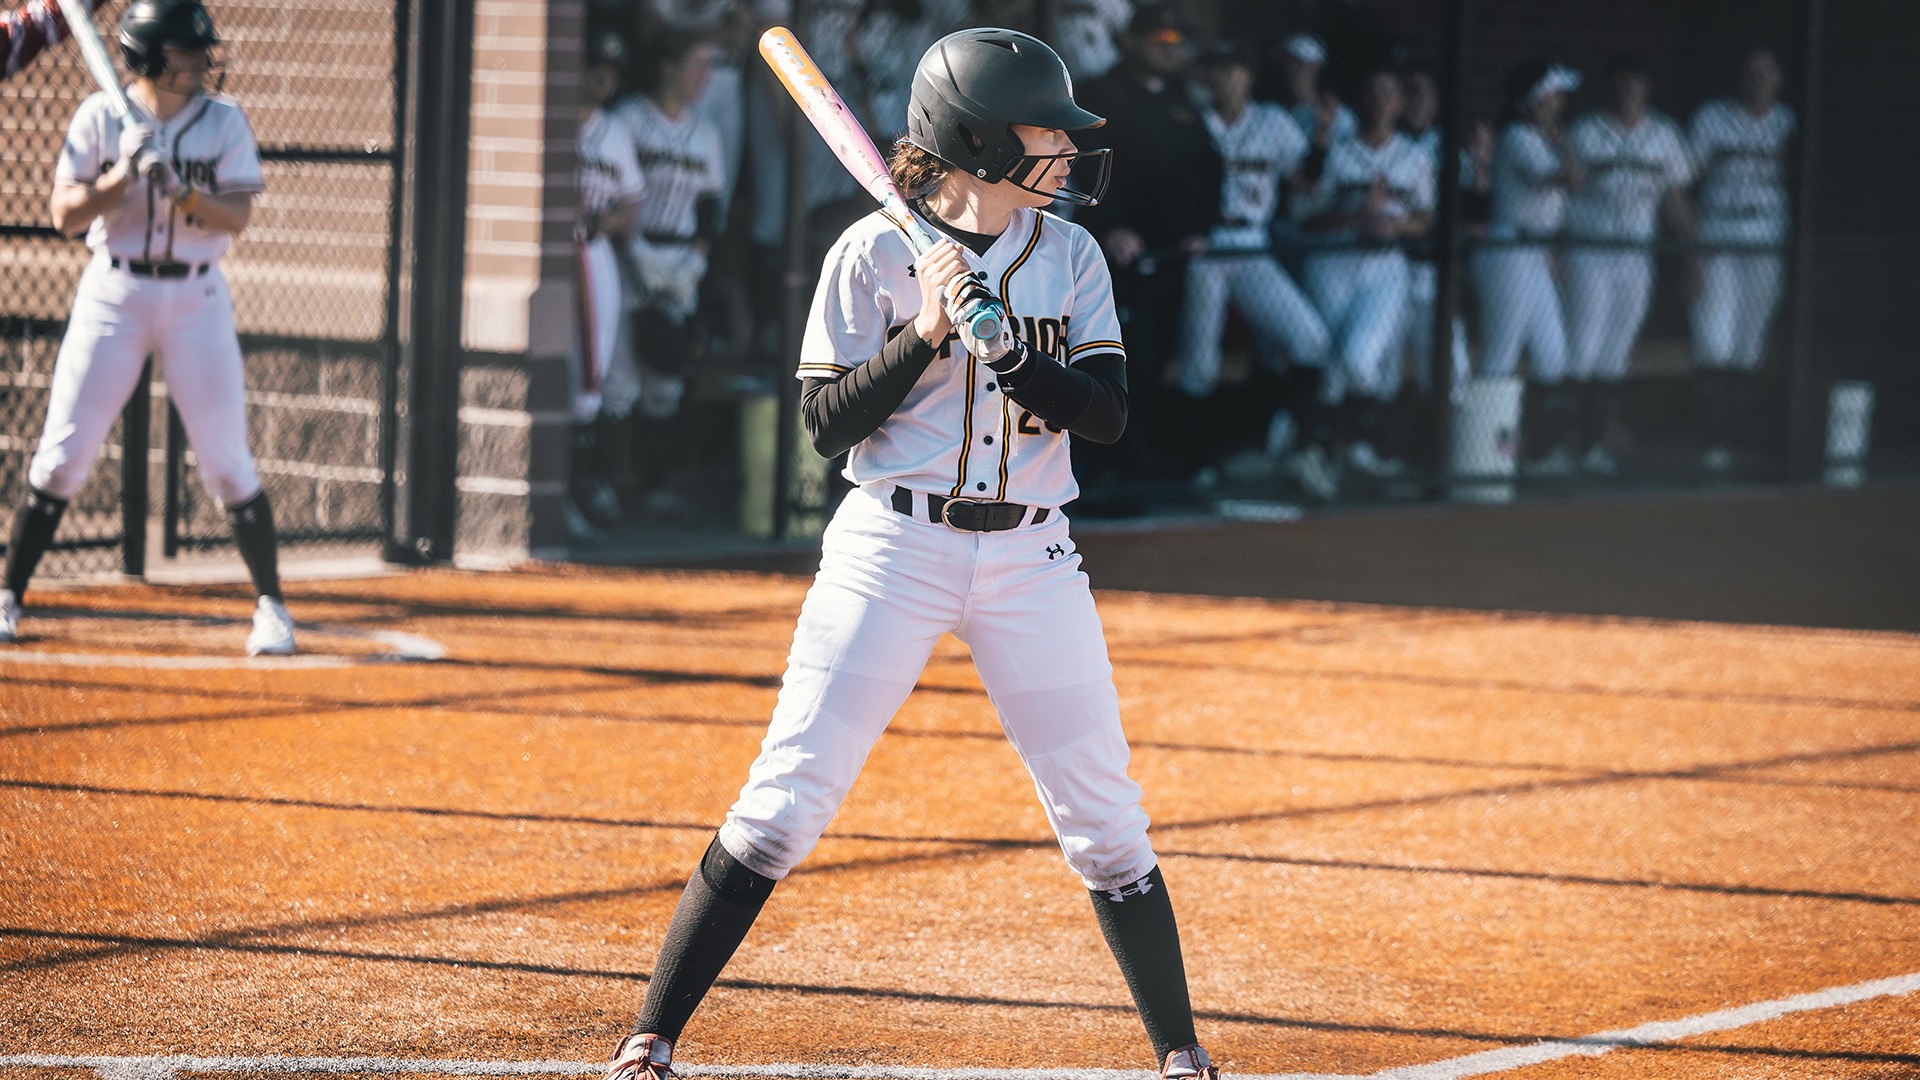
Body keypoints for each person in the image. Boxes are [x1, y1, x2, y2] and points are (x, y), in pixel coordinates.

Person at [596, 27, 1222, 1080]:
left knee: (1106, 822)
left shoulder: (1068, 256)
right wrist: (927, 330)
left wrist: (1014, 352)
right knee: (786, 801)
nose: (1067, 150)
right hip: (892, 545)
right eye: (1045, 132)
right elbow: (826, 425)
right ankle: (650, 1039)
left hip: (1033, 558)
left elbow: (1105, 416)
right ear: (978, 141)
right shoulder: (870, 254)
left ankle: (1181, 1054)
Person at [1, 0, 292, 656]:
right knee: (63, 455)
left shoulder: (224, 120)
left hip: (197, 297)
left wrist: (183, 194)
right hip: (115, 292)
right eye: (186, 55)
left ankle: (272, 608)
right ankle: (9, 596)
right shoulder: (101, 117)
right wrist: (121, 176)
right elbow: (65, 215)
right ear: (148, 59)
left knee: (227, 463)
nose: (200, 64)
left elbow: (237, 216)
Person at [1073, 4, 1219, 487]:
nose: (1165, 48)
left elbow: (1209, 166)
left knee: (1161, 357)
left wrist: (1201, 226)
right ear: (1131, 41)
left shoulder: (1184, 99)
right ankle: (1101, 461)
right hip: (1117, 255)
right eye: (1157, 39)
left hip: (1173, 254)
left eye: (1174, 41)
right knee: (1116, 352)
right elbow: (1082, 168)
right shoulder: (1100, 95)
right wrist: (1110, 225)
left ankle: (1141, 454)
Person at [1170, 43, 1327, 478]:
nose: (1227, 78)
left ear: (1249, 76)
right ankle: (1194, 466)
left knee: (1310, 338)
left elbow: (1306, 181)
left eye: (1235, 69)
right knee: (1199, 361)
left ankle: (1288, 441)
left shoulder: (1272, 122)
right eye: (1219, 70)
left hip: (1252, 243)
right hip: (1207, 246)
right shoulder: (1192, 121)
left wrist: (1323, 141)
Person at [1289, 66, 1434, 497]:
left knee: (1358, 360)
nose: (1380, 103)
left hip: (1385, 266)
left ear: (1401, 104)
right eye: (1372, 94)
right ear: (1361, 101)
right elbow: (1305, 218)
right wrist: (1358, 217)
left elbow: (1427, 219)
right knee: (1330, 361)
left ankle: (1339, 447)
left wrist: (1397, 226)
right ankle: (1328, 454)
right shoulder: (1338, 152)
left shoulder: (1414, 155)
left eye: (1389, 95)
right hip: (1334, 262)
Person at [608, 28, 728, 519]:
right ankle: (609, 484)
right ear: (667, 66)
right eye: (696, 64)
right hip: (626, 254)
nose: (705, 77)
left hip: (679, 258)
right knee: (618, 377)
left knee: (667, 374)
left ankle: (654, 486)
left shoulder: (705, 133)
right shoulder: (629, 120)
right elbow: (617, 192)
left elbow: (711, 207)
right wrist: (633, 251)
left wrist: (695, 260)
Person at [1559, 55, 1693, 477]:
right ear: (1610, 87)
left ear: (1646, 88)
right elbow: (1561, 197)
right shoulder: (1585, 132)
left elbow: (1676, 200)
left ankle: (1594, 442)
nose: (1630, 90)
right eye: (1622, 83)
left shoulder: (1665, 135)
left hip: (1636, 255)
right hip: (1588, 250)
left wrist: (1694, 253)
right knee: (1582, 348)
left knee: (1615, 352)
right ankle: (1565, 443)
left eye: (1637, 83)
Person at [1688, 47, 1792, 475]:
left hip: (1767, 234)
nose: (1758, 81)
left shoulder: (1788, 123)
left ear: (1779, 79)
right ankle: (1710, 441)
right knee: (1715, 339)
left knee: (1750, 343)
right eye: (1751, 72)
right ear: (1739, 78)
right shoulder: (1712, 117)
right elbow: (1685, 178)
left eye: (1766, 74)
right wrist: (1691, 248)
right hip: (1719, 231)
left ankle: (1734, 437)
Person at [1471, 62, 1580, 446]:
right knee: (1501, 354)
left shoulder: (1539, 136)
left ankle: (1537, 449)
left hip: (1534, 251)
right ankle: (1483, 453)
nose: (1559, 103)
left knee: (1554, 357)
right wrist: (1561, 140)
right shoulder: (1518, 136)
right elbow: (1569, 176)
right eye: (1552, 96)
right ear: (1533, 99)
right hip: (1507, 250)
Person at [568, 29, 646, 542]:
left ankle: (579, 484)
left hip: (591, 252)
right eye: (595, 67)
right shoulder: (555, 120)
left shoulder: (612, 130)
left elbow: (632, 205)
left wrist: (606, 222)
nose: (603, 79)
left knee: (592, 378)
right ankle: (570, 484)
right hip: (556, 252)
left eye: (610, 72)